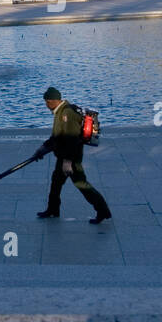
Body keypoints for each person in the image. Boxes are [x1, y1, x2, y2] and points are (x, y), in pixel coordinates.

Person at [32, 87, 111, 224]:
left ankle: (103, 211)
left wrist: (68, 162)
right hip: (63, 156)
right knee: (56, 183)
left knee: (82, 184)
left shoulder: (67, 114)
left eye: (46, 102)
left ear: (51, 101)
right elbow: (57, 137)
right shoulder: (61, 111)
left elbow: (72, 140)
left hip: (70, 158)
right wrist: (42, 149)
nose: (45, 105)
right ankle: (52, 210)